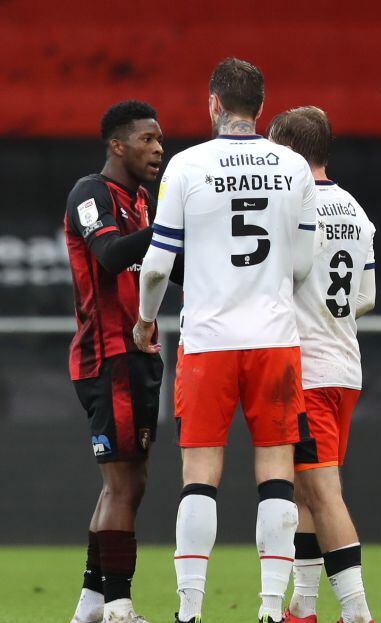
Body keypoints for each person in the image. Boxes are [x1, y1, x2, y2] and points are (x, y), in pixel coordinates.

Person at [133, 57, 318, 623]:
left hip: (209, 340)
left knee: (199, 477)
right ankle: (268, 609)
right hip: (274, 339)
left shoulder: (186, 166)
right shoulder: (294, 167)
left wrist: (145, 322)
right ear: (261, 107)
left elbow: (157, 267)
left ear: (213, 102)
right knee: (277, 477)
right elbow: (305, 267)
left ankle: (189, 610)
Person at [266, 106, 378, 623]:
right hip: (345, 366)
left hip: (306, 371)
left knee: (324, 495)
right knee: (311, 491)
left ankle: (358, 613)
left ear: (287, 149)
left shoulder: (292, 208)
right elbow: (366, 299)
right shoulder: (356, 210)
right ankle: (302, 608)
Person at [65, 100, 164, 623]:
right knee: (121, 484)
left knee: (132, 481)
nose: (157, 148)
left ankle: (91, 603)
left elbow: (161, 264)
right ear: (117, 145)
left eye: (160, 139)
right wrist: (171, 227)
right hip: (107, 356)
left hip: (139, 354)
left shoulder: (143, 200)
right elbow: (108, 255)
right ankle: (120, 607)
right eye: (147, 139)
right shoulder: (90, 194)